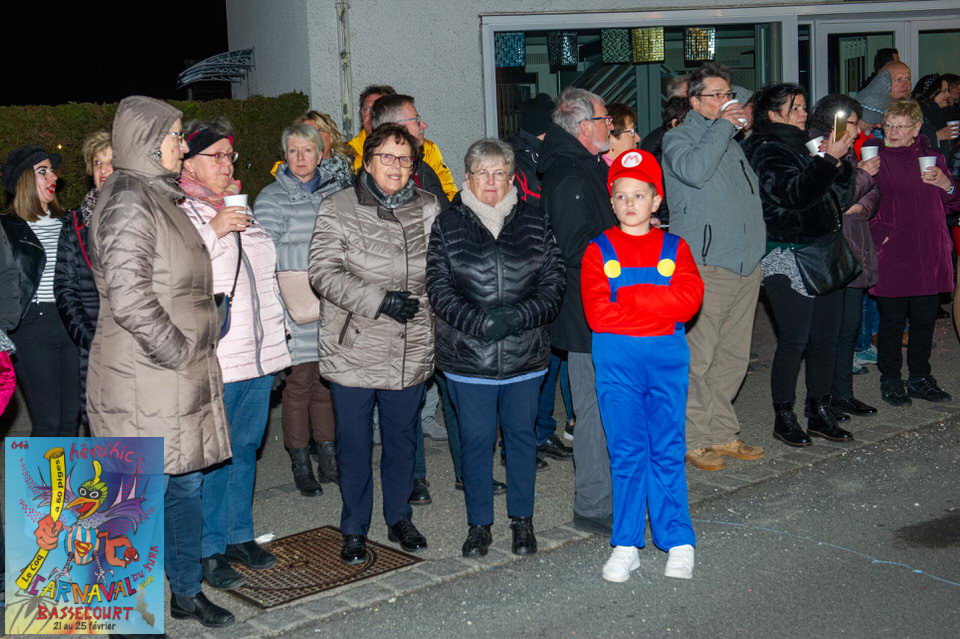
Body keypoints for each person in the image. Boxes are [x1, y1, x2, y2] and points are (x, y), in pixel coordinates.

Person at [86, 95, 234, 627]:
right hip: (143, 379)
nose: (181, 146)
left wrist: (206, 328)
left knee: (185, 485)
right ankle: (127, 618)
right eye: (174, 136)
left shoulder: (158, 195)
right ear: (148, 143)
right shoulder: (129, 200)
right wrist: (179, 350)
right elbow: (129, 297)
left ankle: (186, 591)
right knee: (135, 499)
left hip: (176, 377)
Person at [308, 123, 439, 564]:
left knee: (402, 440)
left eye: (404, 159)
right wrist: (380, 300)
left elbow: (441, 270)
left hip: (409, 342)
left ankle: (399, 516)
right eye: (386, 156)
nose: (396, 166)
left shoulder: (428, 206)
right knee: (354, 443)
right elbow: (323, 272)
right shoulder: (338, 206)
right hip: (355, 343)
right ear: (367, 162)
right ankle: (354, 527)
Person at [427, 138, 564, 557]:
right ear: (467, 178)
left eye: (499, 173)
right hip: (469, 358)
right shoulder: (448, 224)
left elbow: (554, 283)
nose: (491, 181)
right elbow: (438, 289)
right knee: (476, 442)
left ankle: (522, 521)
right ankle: (479, 525)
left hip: (525, 354)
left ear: (511, 178)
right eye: (482, 173)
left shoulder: (535, 221)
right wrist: (481, 322)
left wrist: (518, 317)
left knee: (521, 440)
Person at [178, 118, 291, 590]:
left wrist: (281, 337)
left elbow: (264, 279)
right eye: (216, 156)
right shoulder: (179, 210)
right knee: (211, 458)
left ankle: (237, 535)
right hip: (217, 357)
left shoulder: (239, 205)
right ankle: (206, 549)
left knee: (244, 450)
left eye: (230, 156)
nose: (227, 164)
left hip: (259, 355)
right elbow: (176, 275)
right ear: (188, 163)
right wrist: (214, 230)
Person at [582, 149, 703, 582]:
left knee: (667, 449)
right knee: (627, 451)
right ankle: (627, 542)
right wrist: (658, 302)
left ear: (656, 201)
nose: (629, 203)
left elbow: (687, 303)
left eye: (639, 195)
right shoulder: (598, 250)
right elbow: (599, 315)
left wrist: (629, 297)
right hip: (618, 363)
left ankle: (678, 538)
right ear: (611, 202)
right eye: (621, 195)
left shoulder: (676, 247)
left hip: (666, 362)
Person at [662, 62, 766, 471]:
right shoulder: (679, 139)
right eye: (716, 95)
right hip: (707, 264)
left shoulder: (732, 142)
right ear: (694, 102)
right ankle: (694, 437)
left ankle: (722, 431)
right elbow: (694, 172)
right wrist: (723, 126)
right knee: (698, 358)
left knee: (733, 357)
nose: (727, 101)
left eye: (729, 95)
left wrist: (756, 249)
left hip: (745, 262)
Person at [743, 84, 858, 447]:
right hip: (786, 253)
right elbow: (794, 195)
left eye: (804, 107)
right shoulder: (765, 148)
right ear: (771, 114)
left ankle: (819, 410)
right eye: (794, 108)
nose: (804, 114)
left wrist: (838, 162)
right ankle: (784, 416)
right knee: (795, 339)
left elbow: (838, 197)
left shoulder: (804, 144)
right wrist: (825, 161)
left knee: (826, 336)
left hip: (822, 250)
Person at [257, 122, 352, 495]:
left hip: (331, 303)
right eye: (293, 151)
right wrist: (318, 253)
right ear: (284, 155)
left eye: (307, 150)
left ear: (320, 154)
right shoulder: (271, 198)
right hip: (292, 306)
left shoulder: (335, 193)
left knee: (325, 384)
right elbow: (265, 251)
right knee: (298, 386)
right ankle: (300, 464)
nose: (300, 158)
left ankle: (328, 459)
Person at [538, 87, 616, 533]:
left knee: (606, 407)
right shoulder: (570, 174)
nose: (611, 126)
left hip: (600, 308)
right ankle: (592, 505)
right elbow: (576, 247)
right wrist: (627, 245)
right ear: (584, 127)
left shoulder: (584, 165)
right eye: (605, 119)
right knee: (593, 411)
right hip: (588, 313)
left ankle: (608, 495)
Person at [867, 99, 960, 405]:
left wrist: (947, 185)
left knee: (924, 321)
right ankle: (891, 379)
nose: (892, 132)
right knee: (892, 322)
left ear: (916, 128)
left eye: (900, 126)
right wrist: (881, 235)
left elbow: (953, 203)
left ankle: (920, 377)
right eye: (888, 125)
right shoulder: (875, 158)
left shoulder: (933, 157)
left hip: (929, 251)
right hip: (893, 251)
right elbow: (861, 200)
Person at [808, 95, 881, 419]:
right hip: (831, 251)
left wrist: (863, 205)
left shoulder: (849, 150)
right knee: (831, 330)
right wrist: (862, 175)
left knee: (849, 326)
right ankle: (822, 398)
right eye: (851, 123)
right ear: (833, 122)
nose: (857, 129)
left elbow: (873, 194)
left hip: (854, 245)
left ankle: (842, 394)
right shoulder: (818, 150)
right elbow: (831, 198)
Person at [1, 145, 80, 437]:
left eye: (52, 171)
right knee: (48, 422)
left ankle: (67, 472)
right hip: (31, 326)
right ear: (23, 179)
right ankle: (41, 472)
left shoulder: (70, 222)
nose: (53, 177)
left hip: (71, 322)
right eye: (42, 171)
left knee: (70, 419)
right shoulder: (6, 227)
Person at [53, 131, 112, 430]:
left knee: (138, 432)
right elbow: (65, 289)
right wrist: (90, 339)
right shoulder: (75, 222)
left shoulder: (147, 216)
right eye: (97, 163)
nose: (104, 170)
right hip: (93, 343)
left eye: (111, 162)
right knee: (97, 425)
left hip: (139, 343)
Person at [348, 84, 457, 200]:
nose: (371, 115)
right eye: (366, 109)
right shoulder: (347, 153)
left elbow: (447, 196)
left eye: (378, 109)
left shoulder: (427, 152)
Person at [369, 94, 452, 211]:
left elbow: (444, 216)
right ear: (397, 127)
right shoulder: (371, 182)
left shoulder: (422, 169)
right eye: (417, 121)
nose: (424, 126)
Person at [640, 96, 691, 228]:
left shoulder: (657, 144)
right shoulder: (657, 152)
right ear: (675, 123)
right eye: (690, 122)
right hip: (668, 223)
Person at [912, 74, 954, 154]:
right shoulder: (917, 113)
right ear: (931, 92)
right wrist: (935, 137)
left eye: (948, 91)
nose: (948, 95)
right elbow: (909, 142)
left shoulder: (944, 113)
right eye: (944, 91)